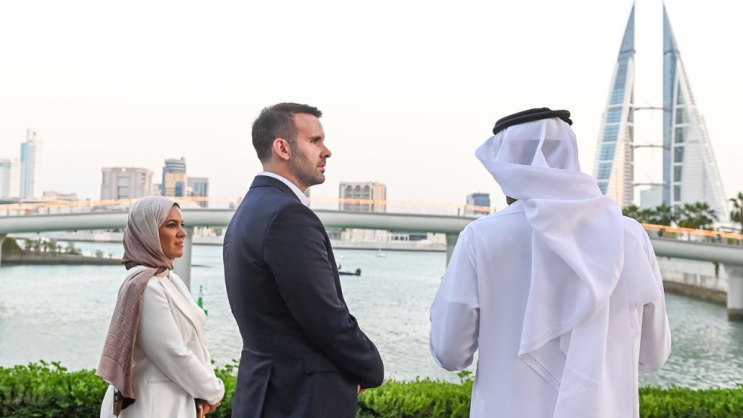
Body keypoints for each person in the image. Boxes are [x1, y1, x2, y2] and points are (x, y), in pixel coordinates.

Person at [430, 108, 671, 418]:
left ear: (503, 164)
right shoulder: (630, 236)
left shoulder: (480, 237)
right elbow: (653, 357)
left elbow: (449, 353)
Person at [224, 103, 384, 418]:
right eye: (314, 141)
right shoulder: (289, 216)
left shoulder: (248, 211)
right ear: (282, 148)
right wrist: (370, 367)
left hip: (262, 393)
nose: (326, 152)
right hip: (299, 399)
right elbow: (325, 317)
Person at [98, 196, 224, 418]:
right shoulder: (146, 286)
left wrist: (207, 390)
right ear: (148, 233)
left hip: (173, 403)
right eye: (171, 225)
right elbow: (172, 353)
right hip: (151, 407)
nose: (182, 233)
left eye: (182, 225)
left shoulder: (170, 280)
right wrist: (213, 391)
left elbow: (196, 344)